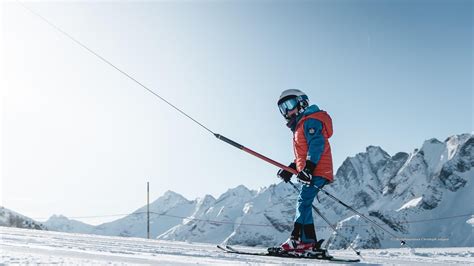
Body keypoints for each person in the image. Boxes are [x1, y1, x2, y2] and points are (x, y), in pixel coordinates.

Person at [276, 89, 334, 255]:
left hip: (317, 170)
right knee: (304, 203)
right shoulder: (301, 125)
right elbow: (304, 153)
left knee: (303, 202)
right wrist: (292, 168)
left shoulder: (311, 121)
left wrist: (308, 169)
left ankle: (298, 240)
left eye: (289, 105)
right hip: (311, 170)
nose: (286, 111)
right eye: (282, 108)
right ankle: (307, 241)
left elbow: (316, 145)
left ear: (302, 103)